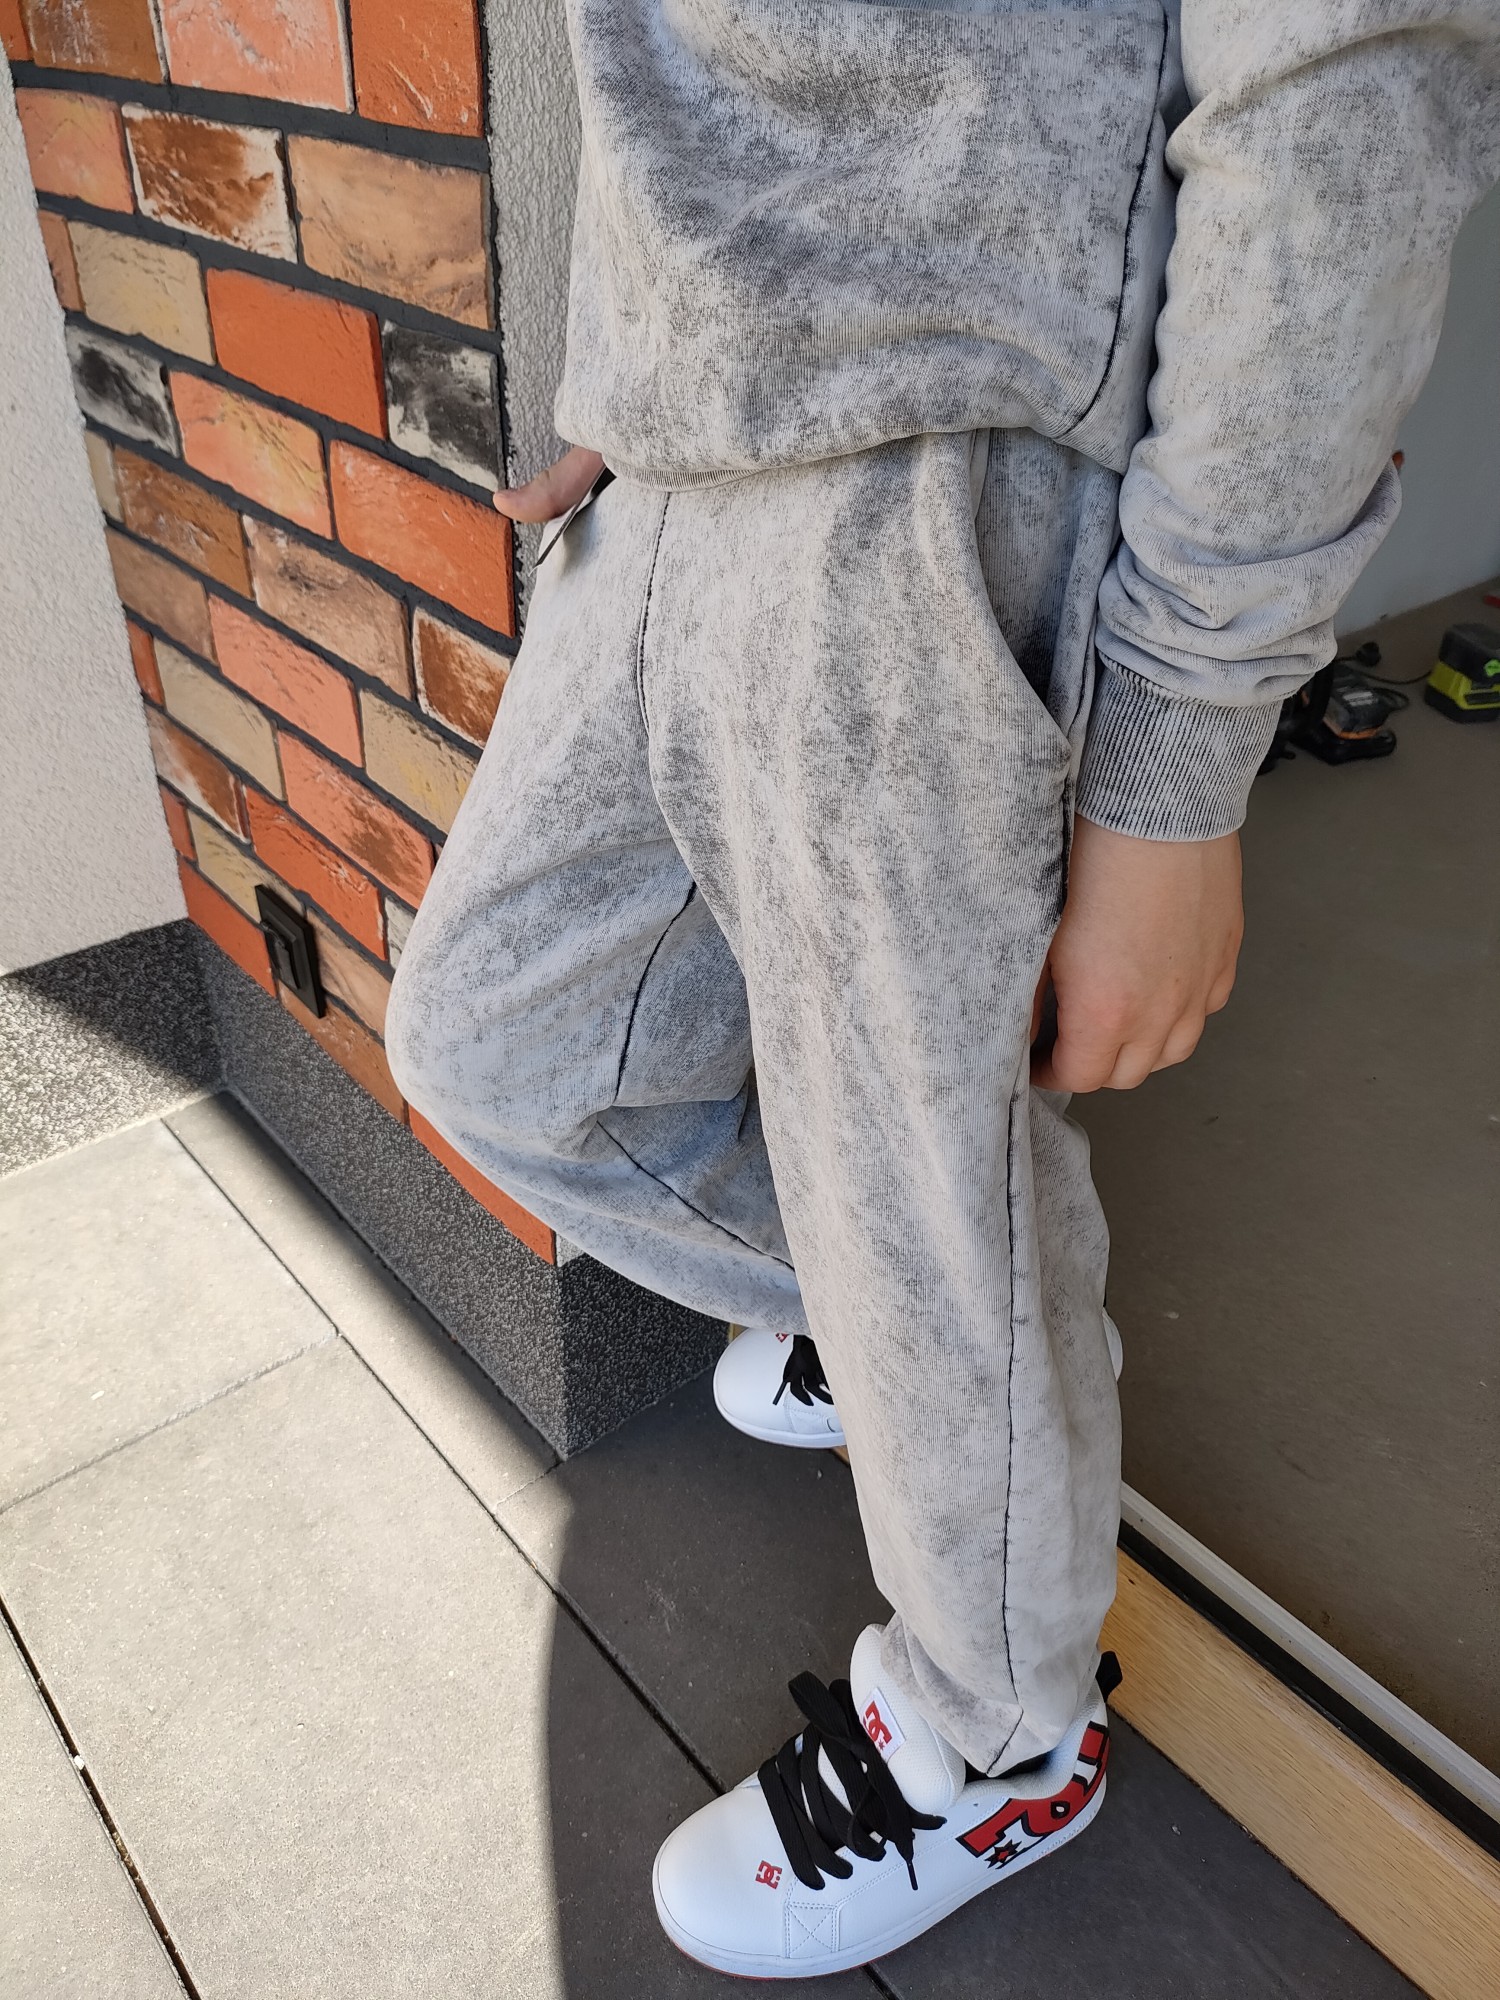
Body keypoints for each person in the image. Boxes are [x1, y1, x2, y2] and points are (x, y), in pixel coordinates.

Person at [386, 0, 1499, 1977]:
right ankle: (961, 1381)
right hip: (672, 454)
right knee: (505, 1049)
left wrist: (1178, 761)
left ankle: (1001, 1742)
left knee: (927, 1197)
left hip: (950, 463)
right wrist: (623, 348)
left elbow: (1342, 84)